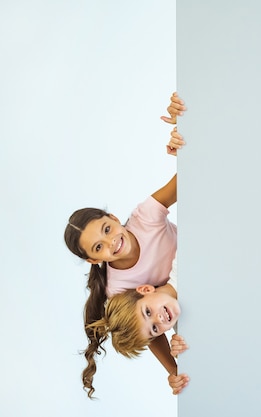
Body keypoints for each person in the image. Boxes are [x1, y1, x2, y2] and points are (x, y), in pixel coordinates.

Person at [64, 92, 189, 398]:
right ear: (96, 261)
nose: (111, 243)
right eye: (98, 249)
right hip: (182, 295)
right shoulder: (117, 289)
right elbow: (147, 331)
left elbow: (186, 179)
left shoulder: (145, 216)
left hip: (193, 260)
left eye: (106, 229)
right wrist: (174, 371)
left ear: (115, 218)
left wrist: (183, 139)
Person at [86, 254, 189, 389]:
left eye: (147, 312)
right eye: (154, 328)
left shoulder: (182, 264)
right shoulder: (184, 330)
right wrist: (185, 355)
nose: (158, 319)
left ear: (145, 290)